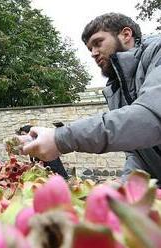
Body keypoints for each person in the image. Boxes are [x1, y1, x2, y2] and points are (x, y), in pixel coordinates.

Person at [19, 13, 161, 185]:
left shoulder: (158, 53)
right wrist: (123, 187)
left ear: (126, 34)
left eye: (98, 43)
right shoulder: (116, 90)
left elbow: (149, 119)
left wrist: (61, 138)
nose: (93, 53)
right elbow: (138, 152)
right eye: (89, 49)